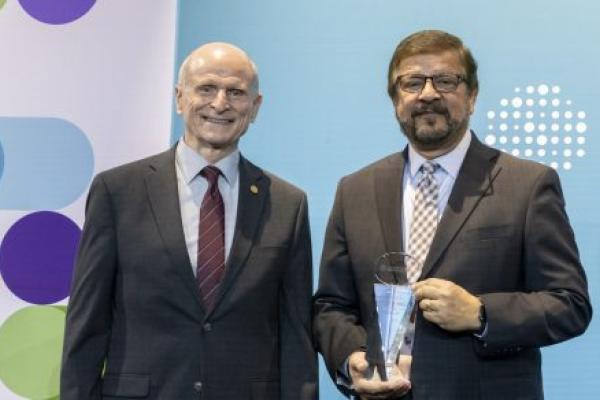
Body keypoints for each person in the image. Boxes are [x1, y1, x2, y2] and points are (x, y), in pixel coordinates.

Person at [313, 30, 592, 399]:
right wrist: (353, 360)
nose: (428, 93)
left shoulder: (528, 185)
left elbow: (569, 304)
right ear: (396, 99)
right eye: (412, 82)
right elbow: (331, 306)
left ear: (472, 95)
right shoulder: (355, 190)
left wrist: (481, 313)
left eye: (445, 80)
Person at [61, 42, 317, 400]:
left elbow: (296, 337)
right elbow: (87, 324)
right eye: (207, 88)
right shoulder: (117, 192)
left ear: (255, 107)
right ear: (180, 98)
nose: (220, 103)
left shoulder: (288, 205)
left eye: (236, 92)